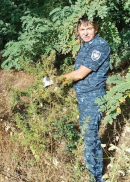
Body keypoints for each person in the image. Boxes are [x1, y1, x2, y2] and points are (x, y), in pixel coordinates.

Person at [44, 16, 110, 182]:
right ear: (78, 31)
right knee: (88, 134)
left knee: (90, 136)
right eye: (82, 29)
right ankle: (92, 173)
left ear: (95, 29)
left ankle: (96, 177)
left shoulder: (99, 46)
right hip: (83, 97)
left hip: (93, 97)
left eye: (89, 29)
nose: (86, 33)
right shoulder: (85, 45)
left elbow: (80, 73)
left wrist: (55, 80)